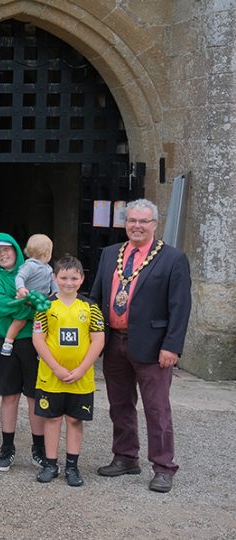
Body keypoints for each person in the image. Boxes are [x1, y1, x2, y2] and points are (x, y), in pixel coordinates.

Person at [90, 199, 191, 493]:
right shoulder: (110, 255)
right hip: (115, 342)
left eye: (143, 221)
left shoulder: (173, 259)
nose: (136, 226)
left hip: (154, 346)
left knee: (157, 409)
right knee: (120, 405)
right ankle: (125, 457)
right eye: (132, 220)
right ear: (125, 223)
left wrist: (171, 346)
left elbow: (180, 306)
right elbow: (97, 298)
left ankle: (163, 467)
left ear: (154, 225)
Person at [32, 256, 105, 487]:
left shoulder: (90, 307)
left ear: (82, 279)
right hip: (51, 376)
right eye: (63, 277)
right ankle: (51, 464)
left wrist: (83, 369)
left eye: (74, 277)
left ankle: (72, 467)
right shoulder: (45, 306)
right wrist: (56, 367)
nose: (68, 282)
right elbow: (38, 338)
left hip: (80, 379)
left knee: (74, 420)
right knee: (52, 419)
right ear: (55, 278)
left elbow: (98, 340)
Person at [0, 233, 46, 472]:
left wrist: (26, 302)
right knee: (9, 396)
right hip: (4, 341)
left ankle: (38, 449)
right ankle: (7, 448)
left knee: (34, 395)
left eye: (6, 250)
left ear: (16, 250)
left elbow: (48, 298)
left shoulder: (31, 268)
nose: (2, 255)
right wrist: (29, 302)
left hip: (33, 340)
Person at [2, 234, 57, 357]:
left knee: (41, 324)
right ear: (47, 252)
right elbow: (20, 277)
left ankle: (40, 349)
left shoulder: (48, 268)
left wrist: (55, 292)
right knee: (19, 320)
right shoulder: (30, 265)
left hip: (41, 300)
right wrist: (21, 288)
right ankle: (8, 341)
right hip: (28, 298)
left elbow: (53, 281)